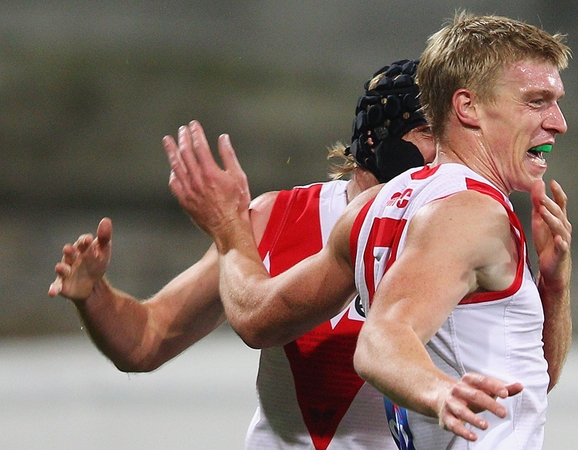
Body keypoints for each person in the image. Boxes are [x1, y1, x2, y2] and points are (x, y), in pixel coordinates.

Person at [164, 12, 573, 450]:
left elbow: (257, 318)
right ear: (467, 106)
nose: (558, 121)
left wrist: (553, 285)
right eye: (536, 101)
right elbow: (381, 340)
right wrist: (439, 393)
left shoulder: (377, 206)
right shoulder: (470, 214)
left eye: (555, 101)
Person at [48, 59, 435, 450]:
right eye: (429, 134)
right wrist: (92, 294)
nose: (447, 155)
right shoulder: (277, 218)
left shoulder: (459, 227)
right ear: (376, 138)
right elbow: (146, 339)